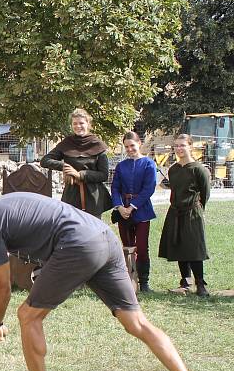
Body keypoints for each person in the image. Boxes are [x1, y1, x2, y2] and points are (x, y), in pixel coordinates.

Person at [0, 184, 214, 371]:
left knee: (28, 316)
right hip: (104, 238)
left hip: (77, 245)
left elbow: (3, 286)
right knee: (137, 323)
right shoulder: (0, 208)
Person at [158, 134, 212, 297]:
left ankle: (200, 284)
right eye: (176, 146)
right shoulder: (173, 169)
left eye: (182, 145)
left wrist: (197, 208)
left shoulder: (198, 169)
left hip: (192, 212)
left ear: (190, 146)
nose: (179, 149)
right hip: (175, 211)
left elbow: (205, 193)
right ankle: (185, 282)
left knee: (194, 247)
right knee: (179, 245)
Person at [40, 109, 112, 218]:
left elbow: (104, 175)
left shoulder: (97, 144)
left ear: (88, 123)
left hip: (93, 197)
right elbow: (45, 161)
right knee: (71, 229)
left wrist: (80, 175)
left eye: (81, 123)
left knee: (92, 231)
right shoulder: (67, 143)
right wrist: (65, 166)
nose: (78, 126)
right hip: (71, 195)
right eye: (75, 123)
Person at [110, 131, 158, 292]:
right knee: (127, 247)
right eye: (126, 147)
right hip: (123, 210)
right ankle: (128, 281)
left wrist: (132, 207)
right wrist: (120, 206)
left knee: (142, 247)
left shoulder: (149, 164)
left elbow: (148, 189)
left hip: (141, 210)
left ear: (139, 144)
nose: (130, 149)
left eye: (132, 145)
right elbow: (115, 188)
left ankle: (144, 282)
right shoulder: (121, 165)